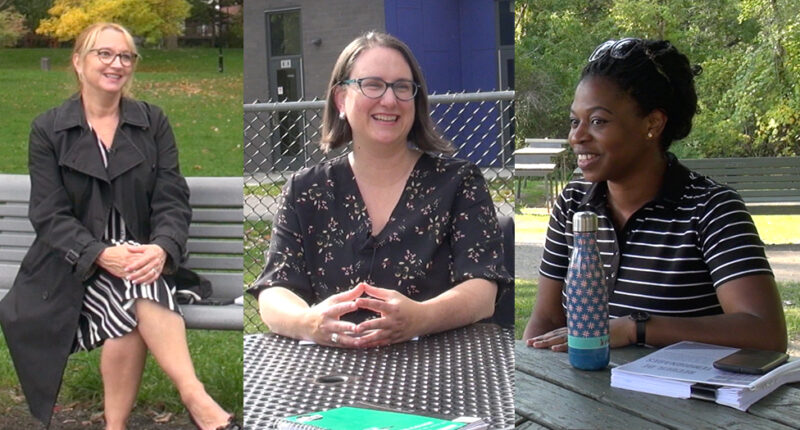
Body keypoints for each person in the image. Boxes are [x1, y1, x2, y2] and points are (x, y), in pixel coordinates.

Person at [0, 23, 239, 430]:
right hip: (73, 267)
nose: (117, 64)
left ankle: (117, 427)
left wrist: (162, 247)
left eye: (125, 56)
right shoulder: (49, 129)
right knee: (135, 290)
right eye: (104, 54)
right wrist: (98, 253)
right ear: (78, 62)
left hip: (142, 258)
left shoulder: (151, 122)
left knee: (134, 286)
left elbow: (171, 198)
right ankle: (197, 399)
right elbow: (48, 214)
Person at [523, 38, 787, 353]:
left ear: (653, 124)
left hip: (677, 397)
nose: (577, 137)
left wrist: (636, 328)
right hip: (583, 394)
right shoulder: (573, 203)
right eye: (574, 121)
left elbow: (765, 332)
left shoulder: (710, 209)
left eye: (598, 121)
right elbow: (547, 317)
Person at [250, 31, 511, 348]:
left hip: (440, 370)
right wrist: (309, 323)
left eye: (402, 87)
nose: (390, 100)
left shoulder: (459, 182)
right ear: (341, 99)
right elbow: (275, 290)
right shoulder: (305, 189)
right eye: (372, 84)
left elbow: (483, 290)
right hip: (330, 374)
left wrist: (421, 317)